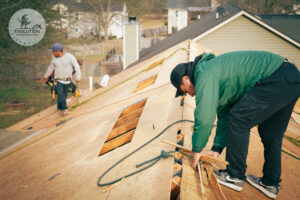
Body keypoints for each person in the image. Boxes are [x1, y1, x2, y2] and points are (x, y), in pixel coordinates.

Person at [170, 51, 300, 199]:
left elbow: (205, 118)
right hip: (291, 79)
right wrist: (216, 149)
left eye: (185, 91)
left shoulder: (205, 74)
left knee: (239, 119)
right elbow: (224, 114)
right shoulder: (215, 72)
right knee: (271, 134)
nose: (190, 95)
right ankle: (270, 183)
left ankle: (235, 175)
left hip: (276, 78)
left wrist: (197, 149)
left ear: (186, 79)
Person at [43, 43, 81, 116]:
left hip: (67, 80)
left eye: (53, 51)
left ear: (58, 51)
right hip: (58, 80)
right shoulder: (54, 59)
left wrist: (78, 77)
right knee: (61, 95)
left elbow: (76, 66)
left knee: (63, 96)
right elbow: (50, 68)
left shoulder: (69, 57)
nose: (52, 53)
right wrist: (45, 76)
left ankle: (59, 108)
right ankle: (65, 109)